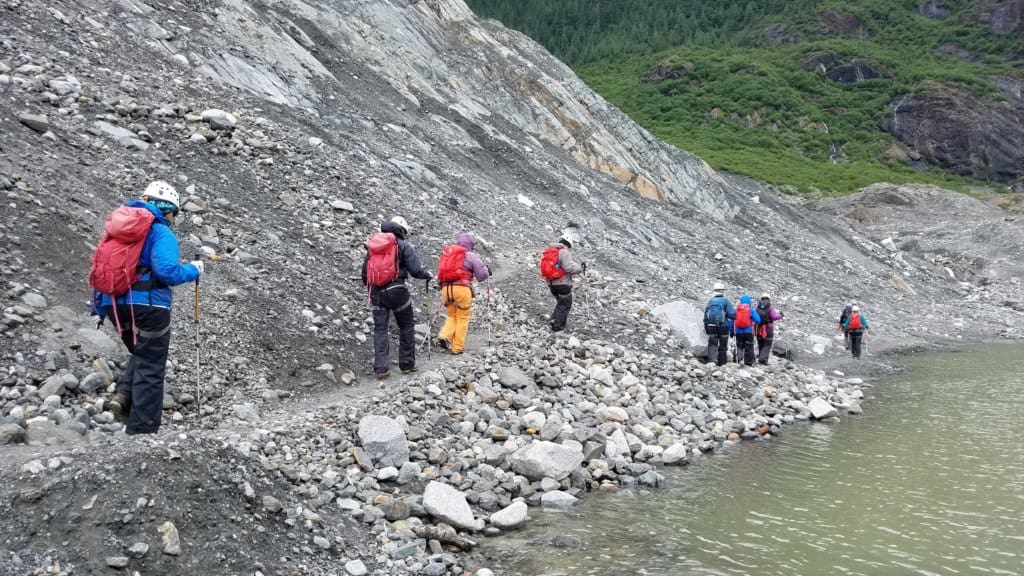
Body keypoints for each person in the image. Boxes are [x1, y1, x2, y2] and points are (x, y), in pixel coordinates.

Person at [92, 181, 203, 435]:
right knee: (152, 364)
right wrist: (194, 269)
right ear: (167, 209)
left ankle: (122, 397)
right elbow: (168, 272)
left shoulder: (116, 231)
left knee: (141, 353)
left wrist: (98, 308)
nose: (174, 219)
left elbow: (99, 270)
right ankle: (142, 432)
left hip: (114, 306)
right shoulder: (160, 231)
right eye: (175, 213)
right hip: (150, 307)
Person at [362, 216, 432, 380]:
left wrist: (372, 288)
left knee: (380, 330)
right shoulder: (403, 245)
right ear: (402, 231)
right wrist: (427, 275)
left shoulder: (374, 246)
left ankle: (381, 369)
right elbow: (415, 270)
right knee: (406, 325)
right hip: (397, 290)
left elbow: (365, 273)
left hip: (377, 293)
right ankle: (407, 364)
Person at [435, 232, 491, 354]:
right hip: (462, 289)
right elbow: (481, 275)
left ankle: (445, 335)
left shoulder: (448, 255)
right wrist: (488, 271)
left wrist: (442, 287)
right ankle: (457, 347)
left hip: (446, 290)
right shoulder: (470, 255)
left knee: (452, 315)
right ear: (471, 244)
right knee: (462, 317)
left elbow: (440, 275)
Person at [540, 234, 585, 332]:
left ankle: (554, 319)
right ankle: (557, 326)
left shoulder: (552, 250)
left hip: (551, 283)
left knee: (561, 302)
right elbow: (568, 267)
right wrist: (580, 269)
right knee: (566, 303)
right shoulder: (564, 251)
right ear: (569, 244)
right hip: (562, 283)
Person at [703, 283, 736, 366]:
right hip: (723, 326)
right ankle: (722, 363)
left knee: (712, 344)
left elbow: (706, 316)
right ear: (722, 291)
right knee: (723, 346)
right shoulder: (725, 301)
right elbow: (732, 314)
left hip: (711, 326)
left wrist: (706, 326)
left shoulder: (710, 301)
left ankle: (711, 361)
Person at [731, 294, 762, 366]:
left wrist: (732, 331)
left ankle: (738, 360)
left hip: (738, 332)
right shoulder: (751, 310)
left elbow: (731, 321)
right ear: (749, 302)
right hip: (748, 331)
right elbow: (758, 320)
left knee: (739, 346)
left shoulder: (737, 310)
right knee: (749, 346)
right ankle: (748, 362)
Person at [755, 293, 784, 365]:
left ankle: (760, 357)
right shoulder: (770, 307)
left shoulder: (757, 307)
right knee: (767, 344)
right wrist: (780, 315)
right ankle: (763, 359)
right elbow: (774, 317)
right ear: (769, 299)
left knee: (760, 343)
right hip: (768, 328)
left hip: (759, 327)